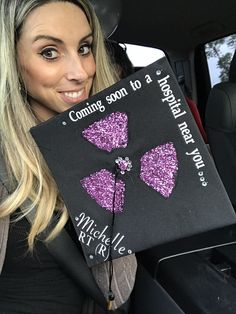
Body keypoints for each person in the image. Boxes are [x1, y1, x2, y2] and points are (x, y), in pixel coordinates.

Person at [0, 1, 137, 313]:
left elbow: (118, 289)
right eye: (50, 52)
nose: (80, 72)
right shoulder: (4, 163)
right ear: (12, 59)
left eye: (85, 48)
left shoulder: (112, 145)